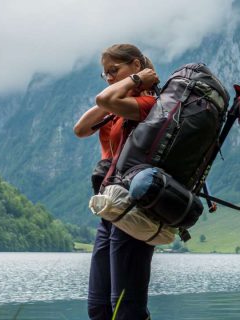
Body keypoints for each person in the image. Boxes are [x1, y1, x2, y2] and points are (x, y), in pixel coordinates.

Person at [74, 43, 159, 320]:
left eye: (114, 70)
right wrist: (127, 80)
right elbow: (81, 129)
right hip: (111, 209)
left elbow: (104, 100)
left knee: (126, 309)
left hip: (133, 211)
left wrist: (136, 81)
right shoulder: (116, 108)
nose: (109, 77)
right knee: (99, 309)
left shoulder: (149, 105)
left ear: (136, 65)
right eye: (105, 74)